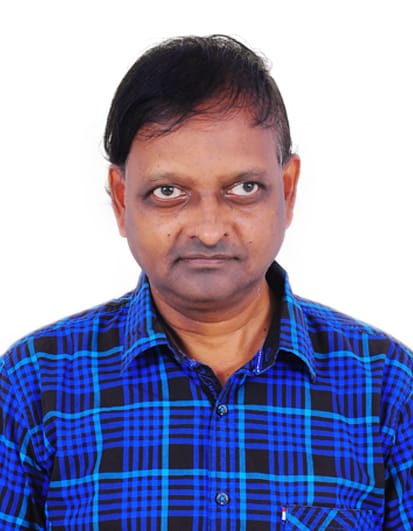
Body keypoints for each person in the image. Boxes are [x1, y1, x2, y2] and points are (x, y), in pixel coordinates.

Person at [0, 34, 412, 531]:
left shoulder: (387, 387)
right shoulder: (34, 386)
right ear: (121, 198)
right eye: (168, 191)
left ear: (286, 190)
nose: (210, 230)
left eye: (244, 188)